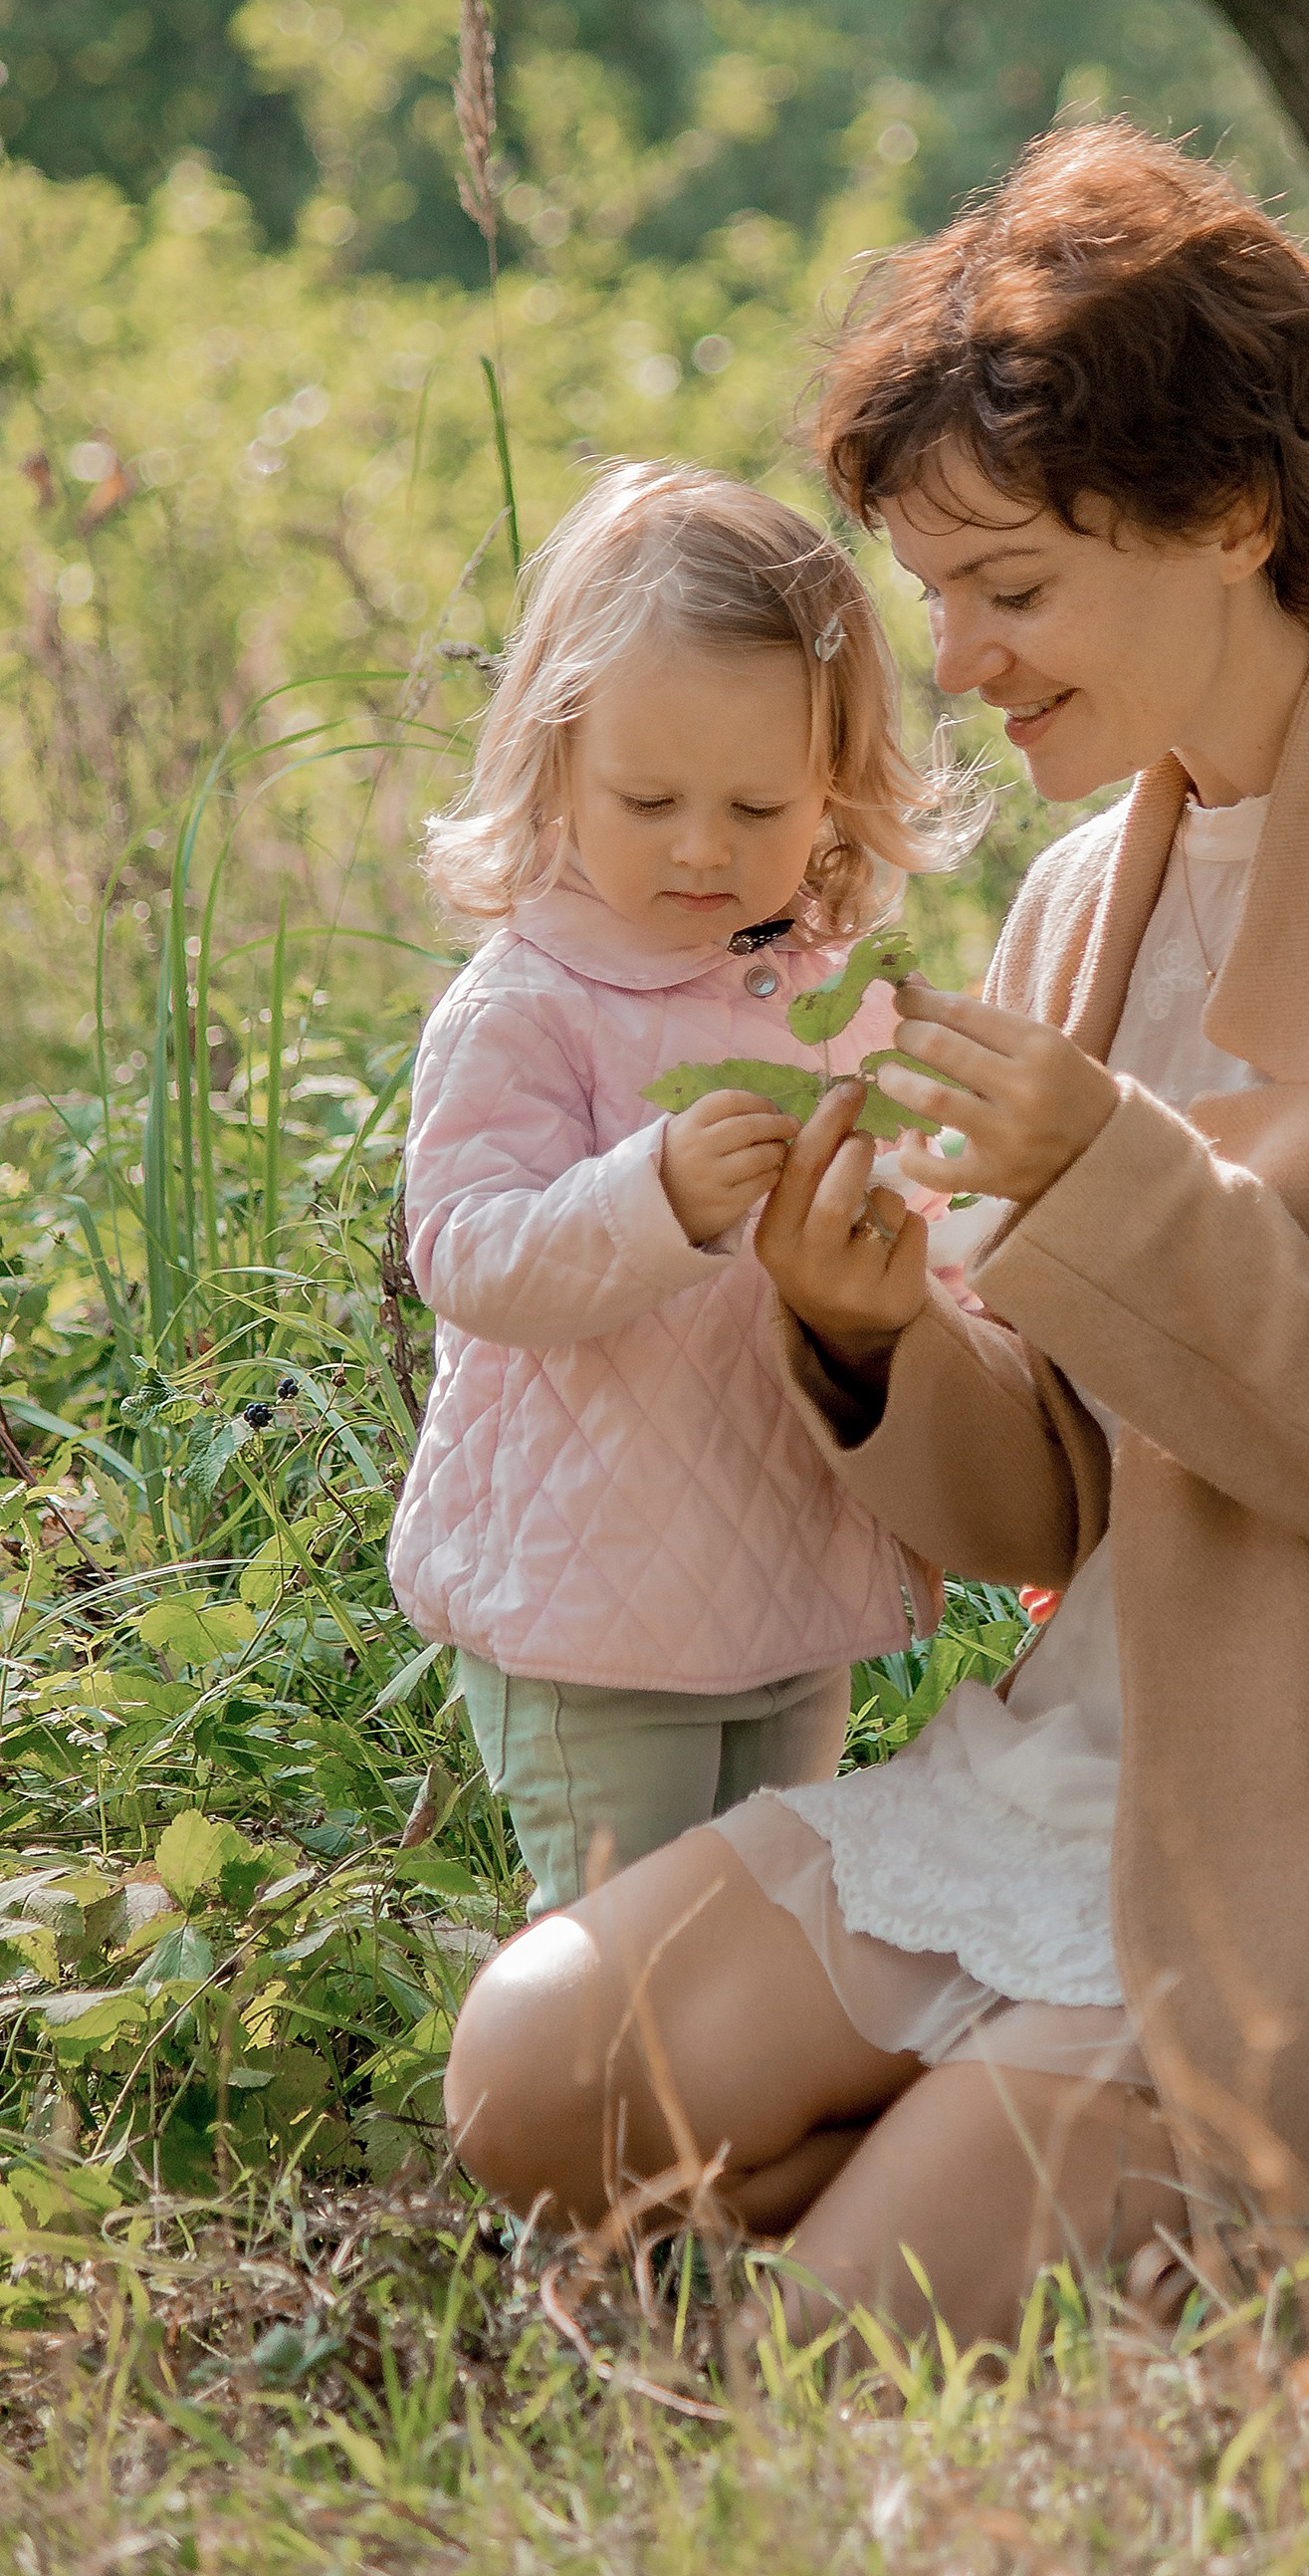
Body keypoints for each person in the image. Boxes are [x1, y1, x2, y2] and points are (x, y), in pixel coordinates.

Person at [442, 126, 1309, 2344]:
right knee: (530, 2071)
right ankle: (1014, 2161)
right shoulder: (1086, 892)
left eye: (1013, 590)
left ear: (1232, 518)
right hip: (1089, 1777)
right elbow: (1053, 1499)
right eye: (937, 593)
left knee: (836, 2358)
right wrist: (873, 1343)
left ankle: (1042, 2195)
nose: (949, 663)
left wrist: (1110, 1191)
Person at [388, 462, 973, 1912]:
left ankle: (734, 2151)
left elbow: (922, 1234)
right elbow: (464, 1252)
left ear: (838, 795)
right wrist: (653, 1194)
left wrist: (957, 1399)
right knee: (626, 1955)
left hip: (783, 1569)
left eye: (760, 805)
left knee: (773, 1933)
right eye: (649, 799)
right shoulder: (526, 1005)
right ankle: (602, 2144)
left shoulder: (829, 1005)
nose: (705, 846)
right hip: (588, 1607)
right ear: (556, 764)